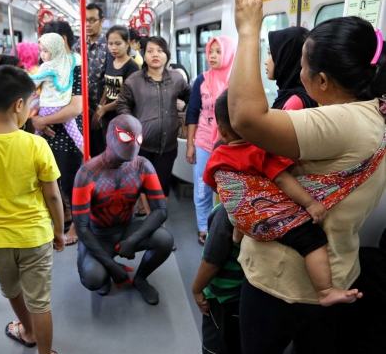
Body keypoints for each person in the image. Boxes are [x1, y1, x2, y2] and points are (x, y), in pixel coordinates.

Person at [231, 0, 386, 351]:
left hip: (286, 283)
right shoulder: (372, 112)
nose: (298, 76)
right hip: (338, 269)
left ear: (321, 80)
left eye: (302, 67)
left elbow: (245, 118)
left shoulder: (343, 122)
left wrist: (249, 30)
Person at [205, 89, 363, 306]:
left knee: (239, 206)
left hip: (241, 219)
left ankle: (239, 230)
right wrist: (310, 203)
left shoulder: (216, 157)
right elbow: (283, 180)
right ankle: (325, 290)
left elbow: (220, 187)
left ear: (221, 131)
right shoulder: (261, 150)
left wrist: (240, 209)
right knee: (314, 241)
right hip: (269, 219)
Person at [0, 65, 64, 354]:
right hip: (35, 235)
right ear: (19, 104)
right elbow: (53, 196)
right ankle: (45, 351)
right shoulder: (36, 145)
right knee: (40, 301)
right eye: (30, 104)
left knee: (13, 291)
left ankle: (27, 332)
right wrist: (59, 231)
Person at [73, 115, 174, 305]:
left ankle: (141, 278)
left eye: (139, 138)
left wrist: (133, 239)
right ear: (110, 137)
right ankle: (103, 269)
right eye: (126, 137)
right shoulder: (87, 173)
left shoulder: (142, 165)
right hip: (98, 234)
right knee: (94, 279)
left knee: (164, 239)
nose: (134, 144)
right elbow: (82, 227)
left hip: (128, 228)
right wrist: (111, 266)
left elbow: (161, 209)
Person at [117, 36, 192, 224]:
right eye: (150, 51)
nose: (155, 55)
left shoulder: (176, 79)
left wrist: (187, 112)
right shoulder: (134, 81)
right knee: (145, 185)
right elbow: (123, 104)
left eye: (159, 50)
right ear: (144, 55)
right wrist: (131, 124)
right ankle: (153, 223)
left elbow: (193, 98)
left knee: (163, 185)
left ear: (166, 55)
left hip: (168, 145)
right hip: (142, 144)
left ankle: (158, 224)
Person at [32, 20, 84, 246]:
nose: (43, 52)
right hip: (48, 135)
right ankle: (62, 218)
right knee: (52, 181)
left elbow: (75, 108)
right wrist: (35, 118)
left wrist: (42, 120)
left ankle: (76, 226)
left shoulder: (76, 67)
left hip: (68, 136)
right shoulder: (47, 64)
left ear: (61, 40)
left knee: (72, 182)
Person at [185, 36, 236, 246]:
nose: (212, 56)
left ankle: (228, 226)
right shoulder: (201, 80)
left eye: (218, 52)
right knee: (202, 187)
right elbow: (192, 112)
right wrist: (190, 144)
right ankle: (204, 227)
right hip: (204, 142)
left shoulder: (237, 80)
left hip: (229, 144)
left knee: (230, 187)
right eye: (210, 51)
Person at [192, 204, 243, 354]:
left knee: (217, 346)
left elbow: (213, 261)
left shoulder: (227, 210)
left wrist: (196, 289)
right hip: (249, 292)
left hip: (225, 297)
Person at [30, 33, 83, 153]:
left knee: (37, 136)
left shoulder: (46, 67)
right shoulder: (69, 62)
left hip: (47, 109)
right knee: (77, 137)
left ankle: (32, 156)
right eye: (41, 51)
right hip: (64, 107)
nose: (42, 54)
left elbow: (32, 84)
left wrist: (27, 75)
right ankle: (88, 158)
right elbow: (77, 58)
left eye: (46, 51)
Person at [72, 3, 110, 157]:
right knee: (84, 153)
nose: (87, 24)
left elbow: (111, 80)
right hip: (80, 109)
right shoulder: (77, 47)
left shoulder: (109, 46)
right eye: (85, 20)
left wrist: (100, 108)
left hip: (102, 110)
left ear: (101, 21)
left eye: (92, 20)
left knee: (102, 152)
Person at [95, 25, 139, 138]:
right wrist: (99, 107)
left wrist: (103, 108)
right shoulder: (110, 61)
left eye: (118, 44)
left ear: (127, 43)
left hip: (123, 116)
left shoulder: (132, 67)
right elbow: (107, 87)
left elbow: (126, 97)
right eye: (110, 44)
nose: (114, 48)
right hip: (107, 115)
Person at [264, 27, 318, 110]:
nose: (265, 62)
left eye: (270, 54)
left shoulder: (294, 102)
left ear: (286, 56)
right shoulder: (292, 94)